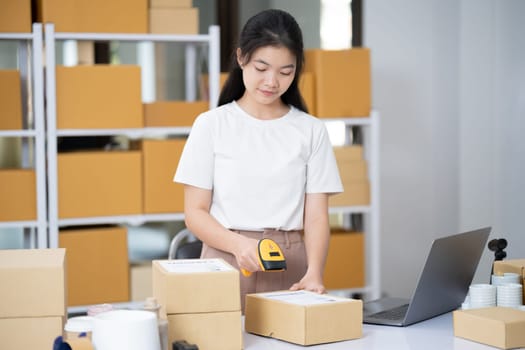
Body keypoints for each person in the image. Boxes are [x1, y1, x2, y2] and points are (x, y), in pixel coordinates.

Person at [174, 9, 343, 312]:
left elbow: (316, 217)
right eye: (261, 67)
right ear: (241, 58)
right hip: (224, 259)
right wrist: (239, 246)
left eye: (285, 72)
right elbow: (195, 213)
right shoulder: (211, 125)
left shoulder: (312, 131)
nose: (272, 81)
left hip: (290, 262)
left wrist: (314, 271)